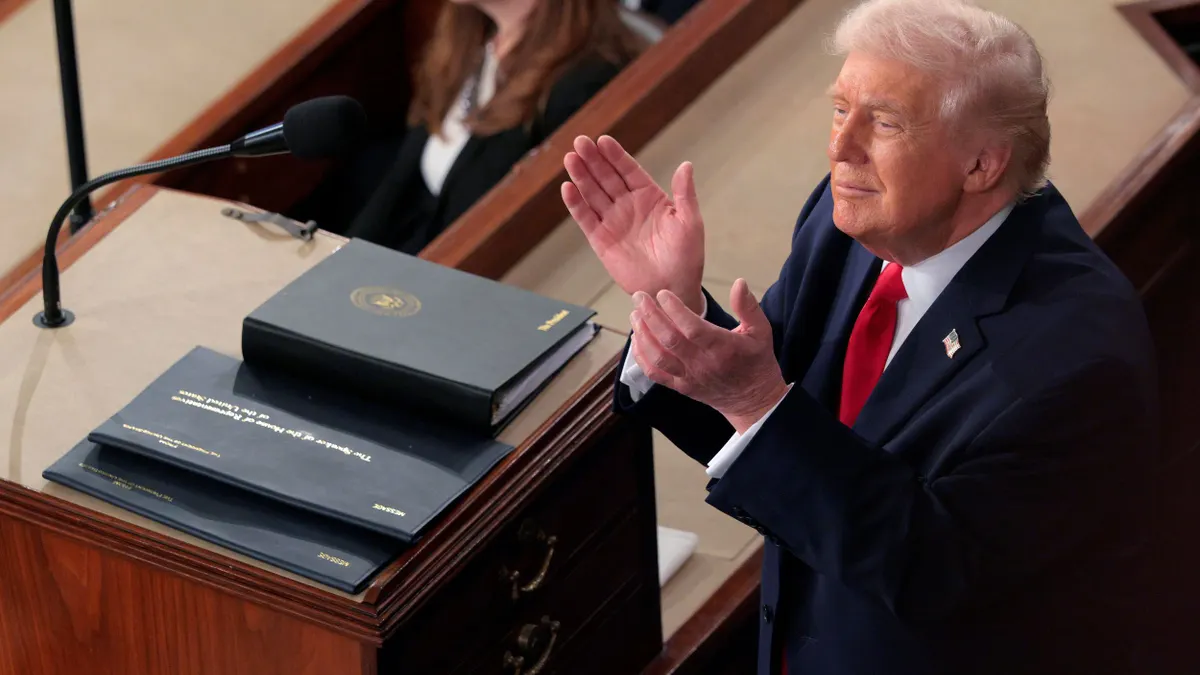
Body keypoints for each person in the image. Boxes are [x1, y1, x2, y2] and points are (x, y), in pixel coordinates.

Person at [561, 0, 1160, 673]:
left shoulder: (1076, 359)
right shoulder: (848, 219)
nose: (840, 148)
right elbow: (775, 426)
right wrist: (674, 302)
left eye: (884, 121)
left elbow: (931, 571)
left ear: (982, 165)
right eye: (841, 109)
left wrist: (755, 402)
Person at [300, 0, 644, 253]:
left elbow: (501, 231)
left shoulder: (585, 79)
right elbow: (397, 186)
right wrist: (337, 261)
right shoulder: (467, 46)